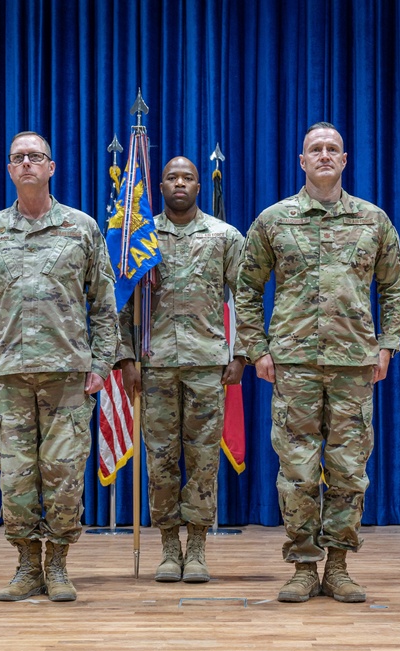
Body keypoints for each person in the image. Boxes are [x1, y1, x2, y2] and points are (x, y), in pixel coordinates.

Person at [235, 122, 400, 603]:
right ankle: (304, 566)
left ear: (345, 159)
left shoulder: (373, 220)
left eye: (333, 148)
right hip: (293, 364)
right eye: (316, 149)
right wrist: (258, 347)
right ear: (302, 160)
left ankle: (339, 566)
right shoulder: (274, 220)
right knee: (297, 472)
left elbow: (394, 286)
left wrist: (388, 344)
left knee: (349, 469)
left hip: (354, 363)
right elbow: (246, 288)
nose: (325, 155)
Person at [0, 131, 118, 602]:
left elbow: (105, 303)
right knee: (15, 476)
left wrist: (102, 361)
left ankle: (58, 566)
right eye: (19, 158)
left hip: (68, 373)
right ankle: (27, 564)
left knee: (64, 472)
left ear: (52, 167)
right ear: (9, 170)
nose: (27, 164)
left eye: (36, 157)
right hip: (9, 372)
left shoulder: (82, 228)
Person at [116, 156, 246, 583]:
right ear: (161, 184)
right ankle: (169, 548)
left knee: (204, 460)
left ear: (197, 186)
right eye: (171, 177)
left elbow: (245, 298)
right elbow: (123, 303)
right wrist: (126, 357)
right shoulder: (140, 238)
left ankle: (198, 550)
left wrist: (241, 353)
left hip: (207, 364)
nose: (179, 183)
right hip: (154, 367)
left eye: (188, 177)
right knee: (162, 461)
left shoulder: (224, 235)